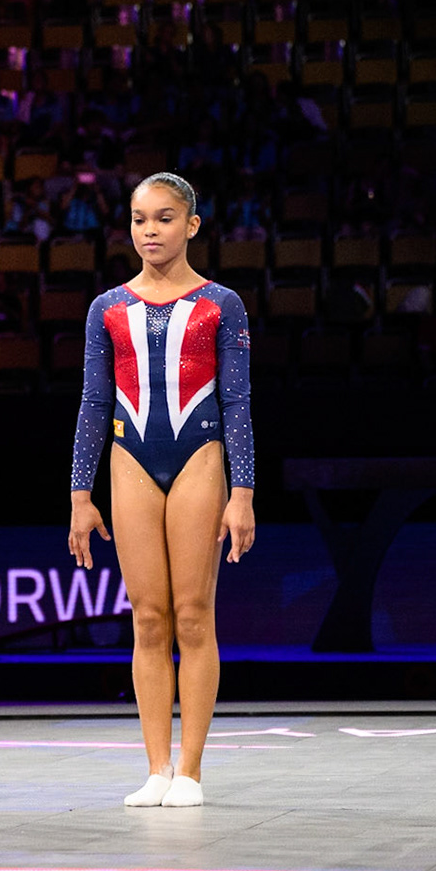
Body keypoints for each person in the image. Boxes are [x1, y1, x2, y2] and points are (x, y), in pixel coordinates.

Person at [67, 172, 257, 808]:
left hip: (200, 458)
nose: (151, 230)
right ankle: (155, 768)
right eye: (141, 219)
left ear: (192, 226)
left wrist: (243, 493)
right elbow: (94, 403)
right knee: (148, 618)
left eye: (165, 218)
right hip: (131, 461)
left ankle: (192, 770)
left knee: (193, 614)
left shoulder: (220, 304)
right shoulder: (108, 308)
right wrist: (79, 496)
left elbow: (237, 401)